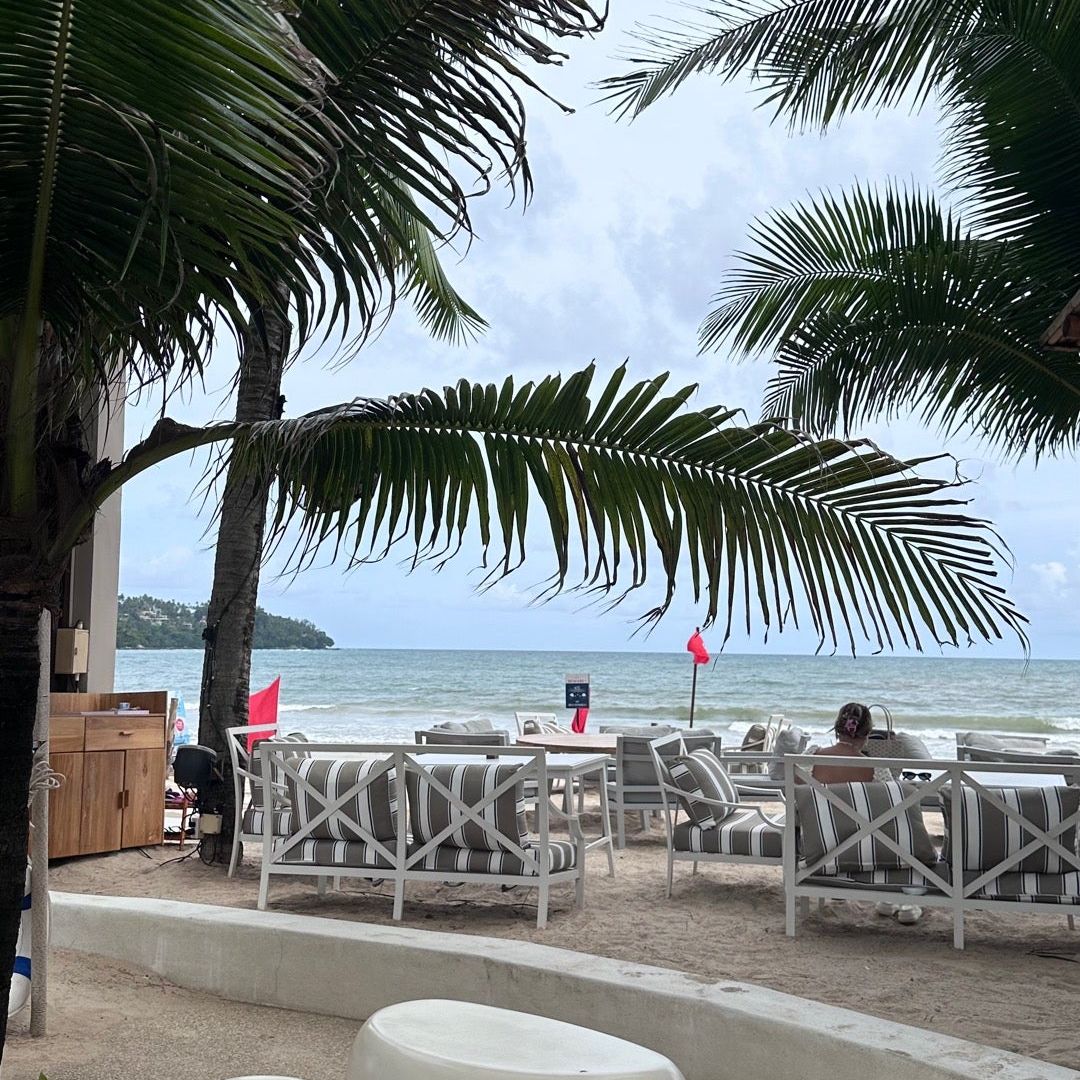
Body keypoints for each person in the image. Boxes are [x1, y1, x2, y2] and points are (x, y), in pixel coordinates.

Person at [809, 702, 875, 784]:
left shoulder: (810, 757)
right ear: (866, 734)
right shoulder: (875, 768)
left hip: (815, 797)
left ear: (837, 729)